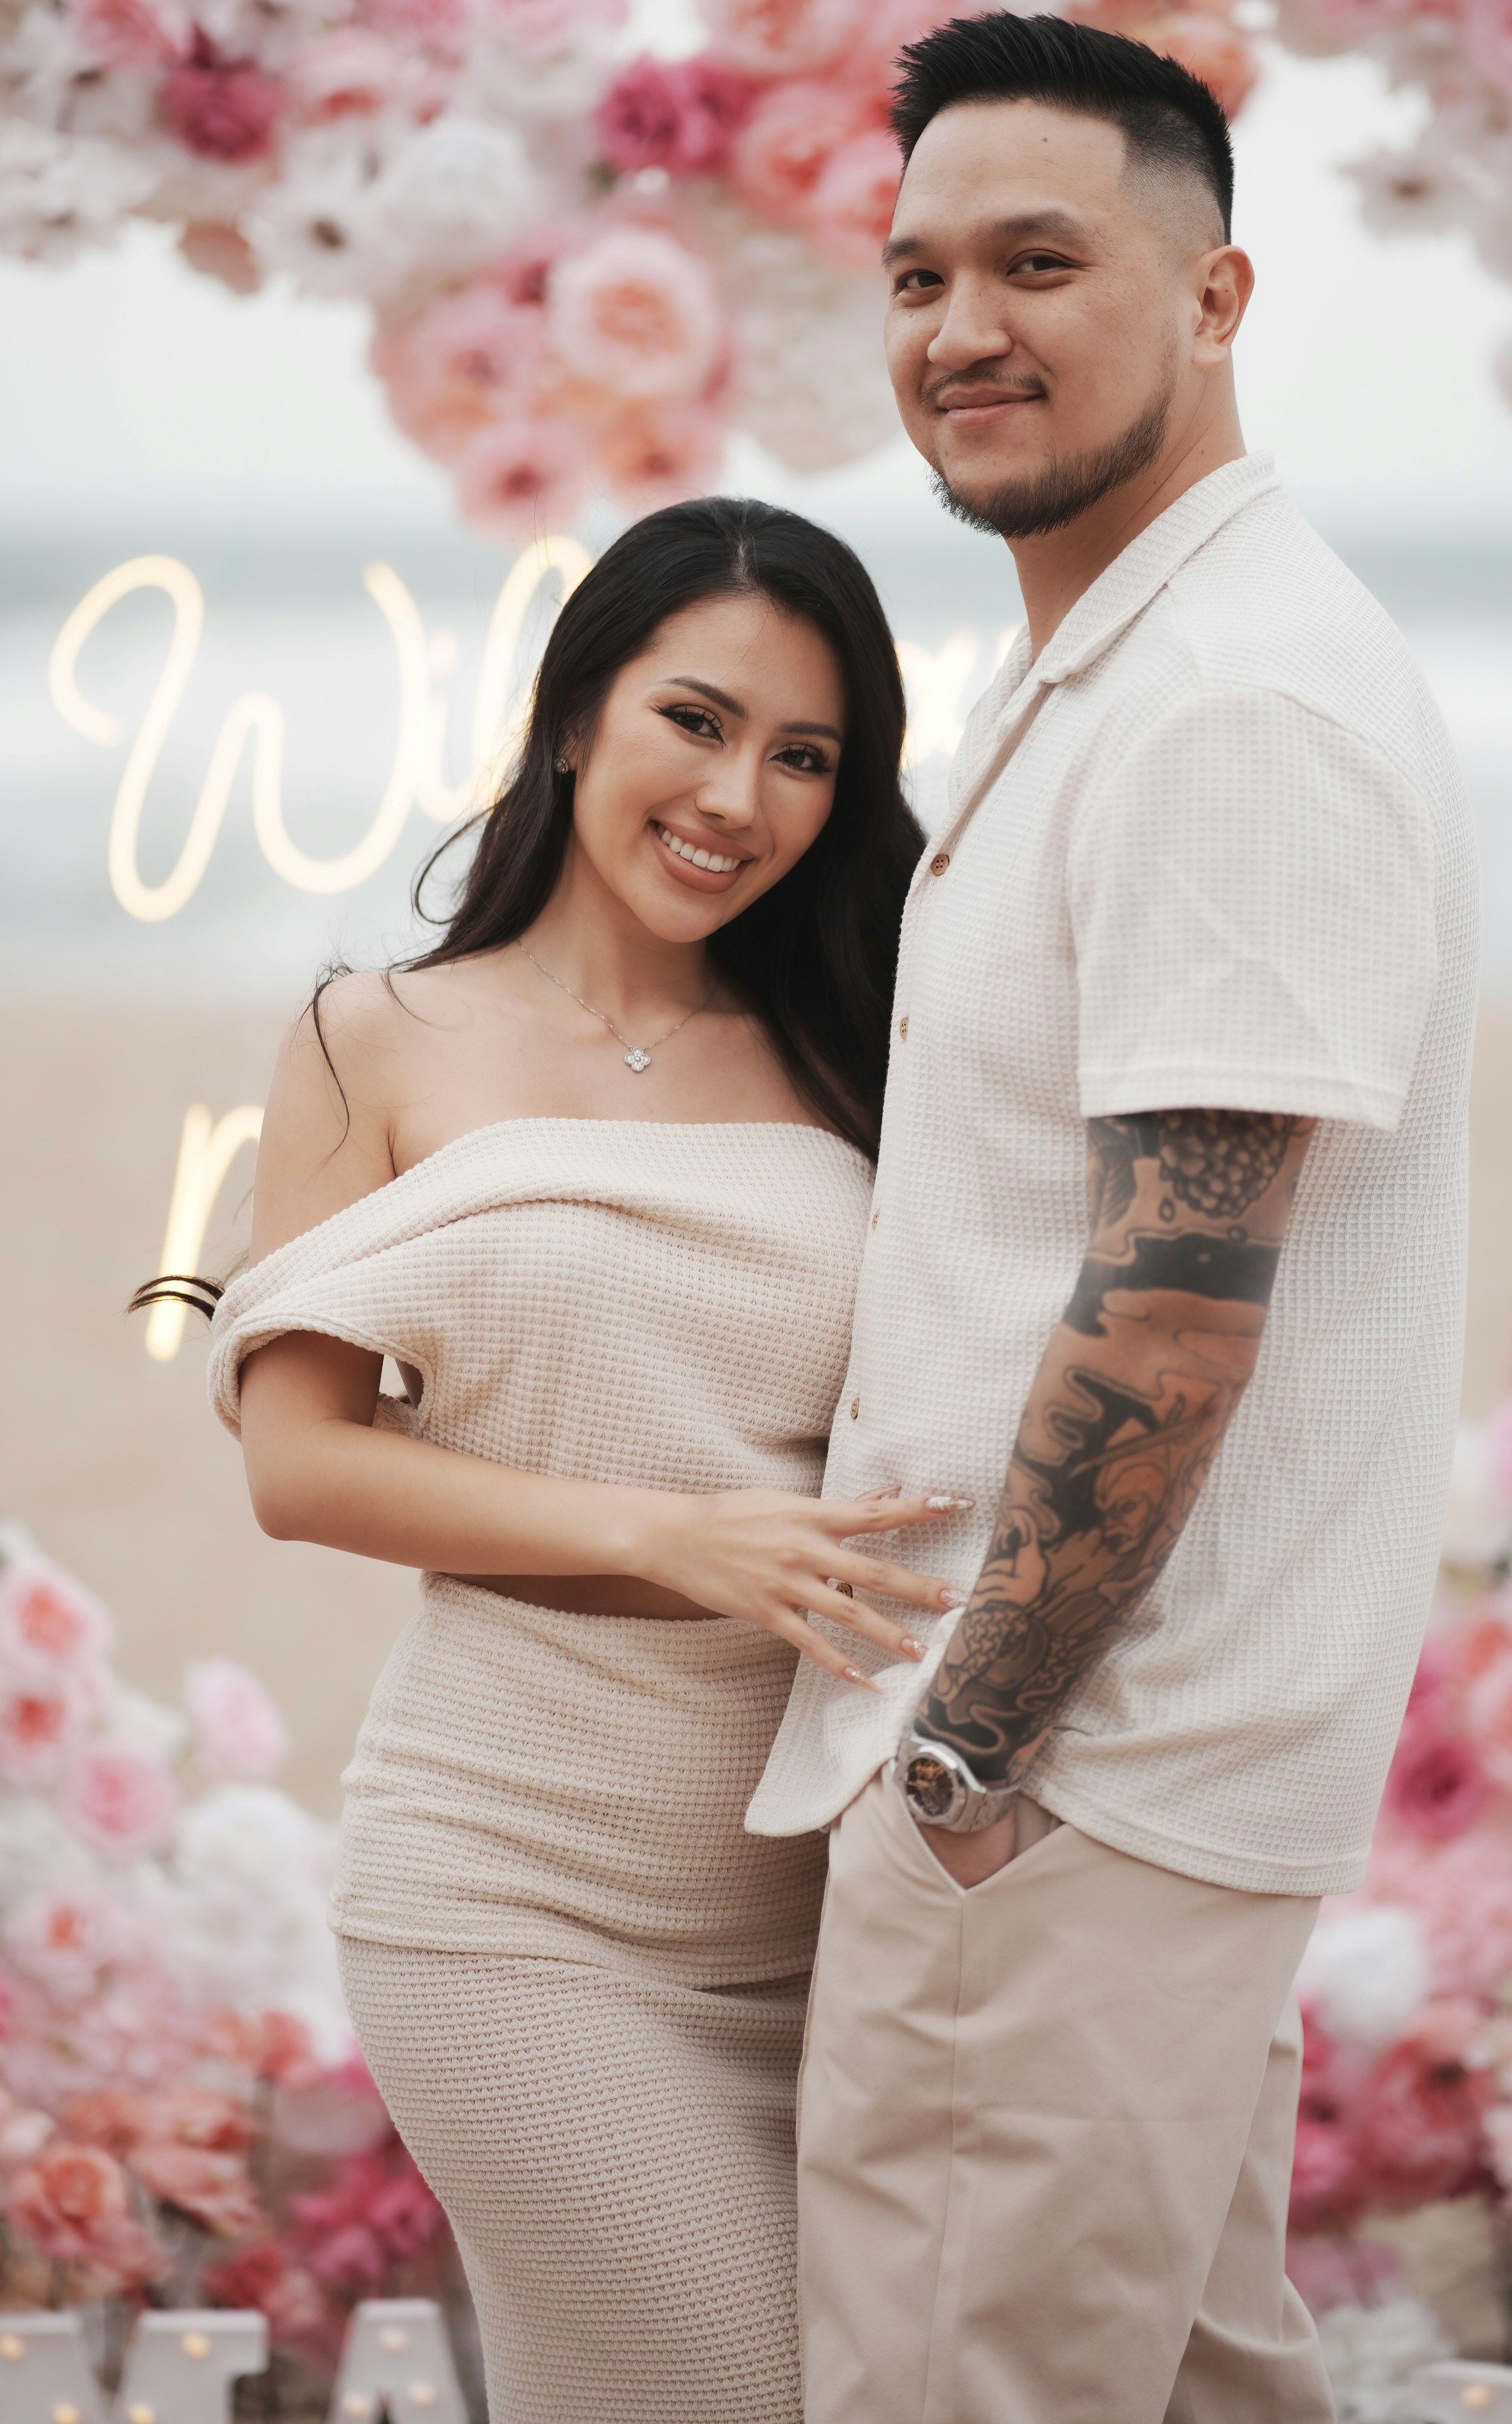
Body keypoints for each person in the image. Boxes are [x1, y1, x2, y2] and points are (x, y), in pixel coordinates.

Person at [748, 13, 1479, 2422]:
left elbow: (1172, 1309)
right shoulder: (1122, 667)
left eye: (1040, 261)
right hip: (1118, 1803)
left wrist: (966, 1762)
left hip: (1070, 1798)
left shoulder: (1226, 708)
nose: (962, 329)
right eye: (919, 272)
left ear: (1220, 292)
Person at [191, 500, 951, 2424]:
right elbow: (301, 1462)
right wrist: (672, 1535)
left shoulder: (874, 1046)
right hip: (514, 1895)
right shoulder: (379, 1037)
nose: (739, 797)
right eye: (694, 721)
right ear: (571, 718)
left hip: (836, 1926)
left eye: (806, 757)